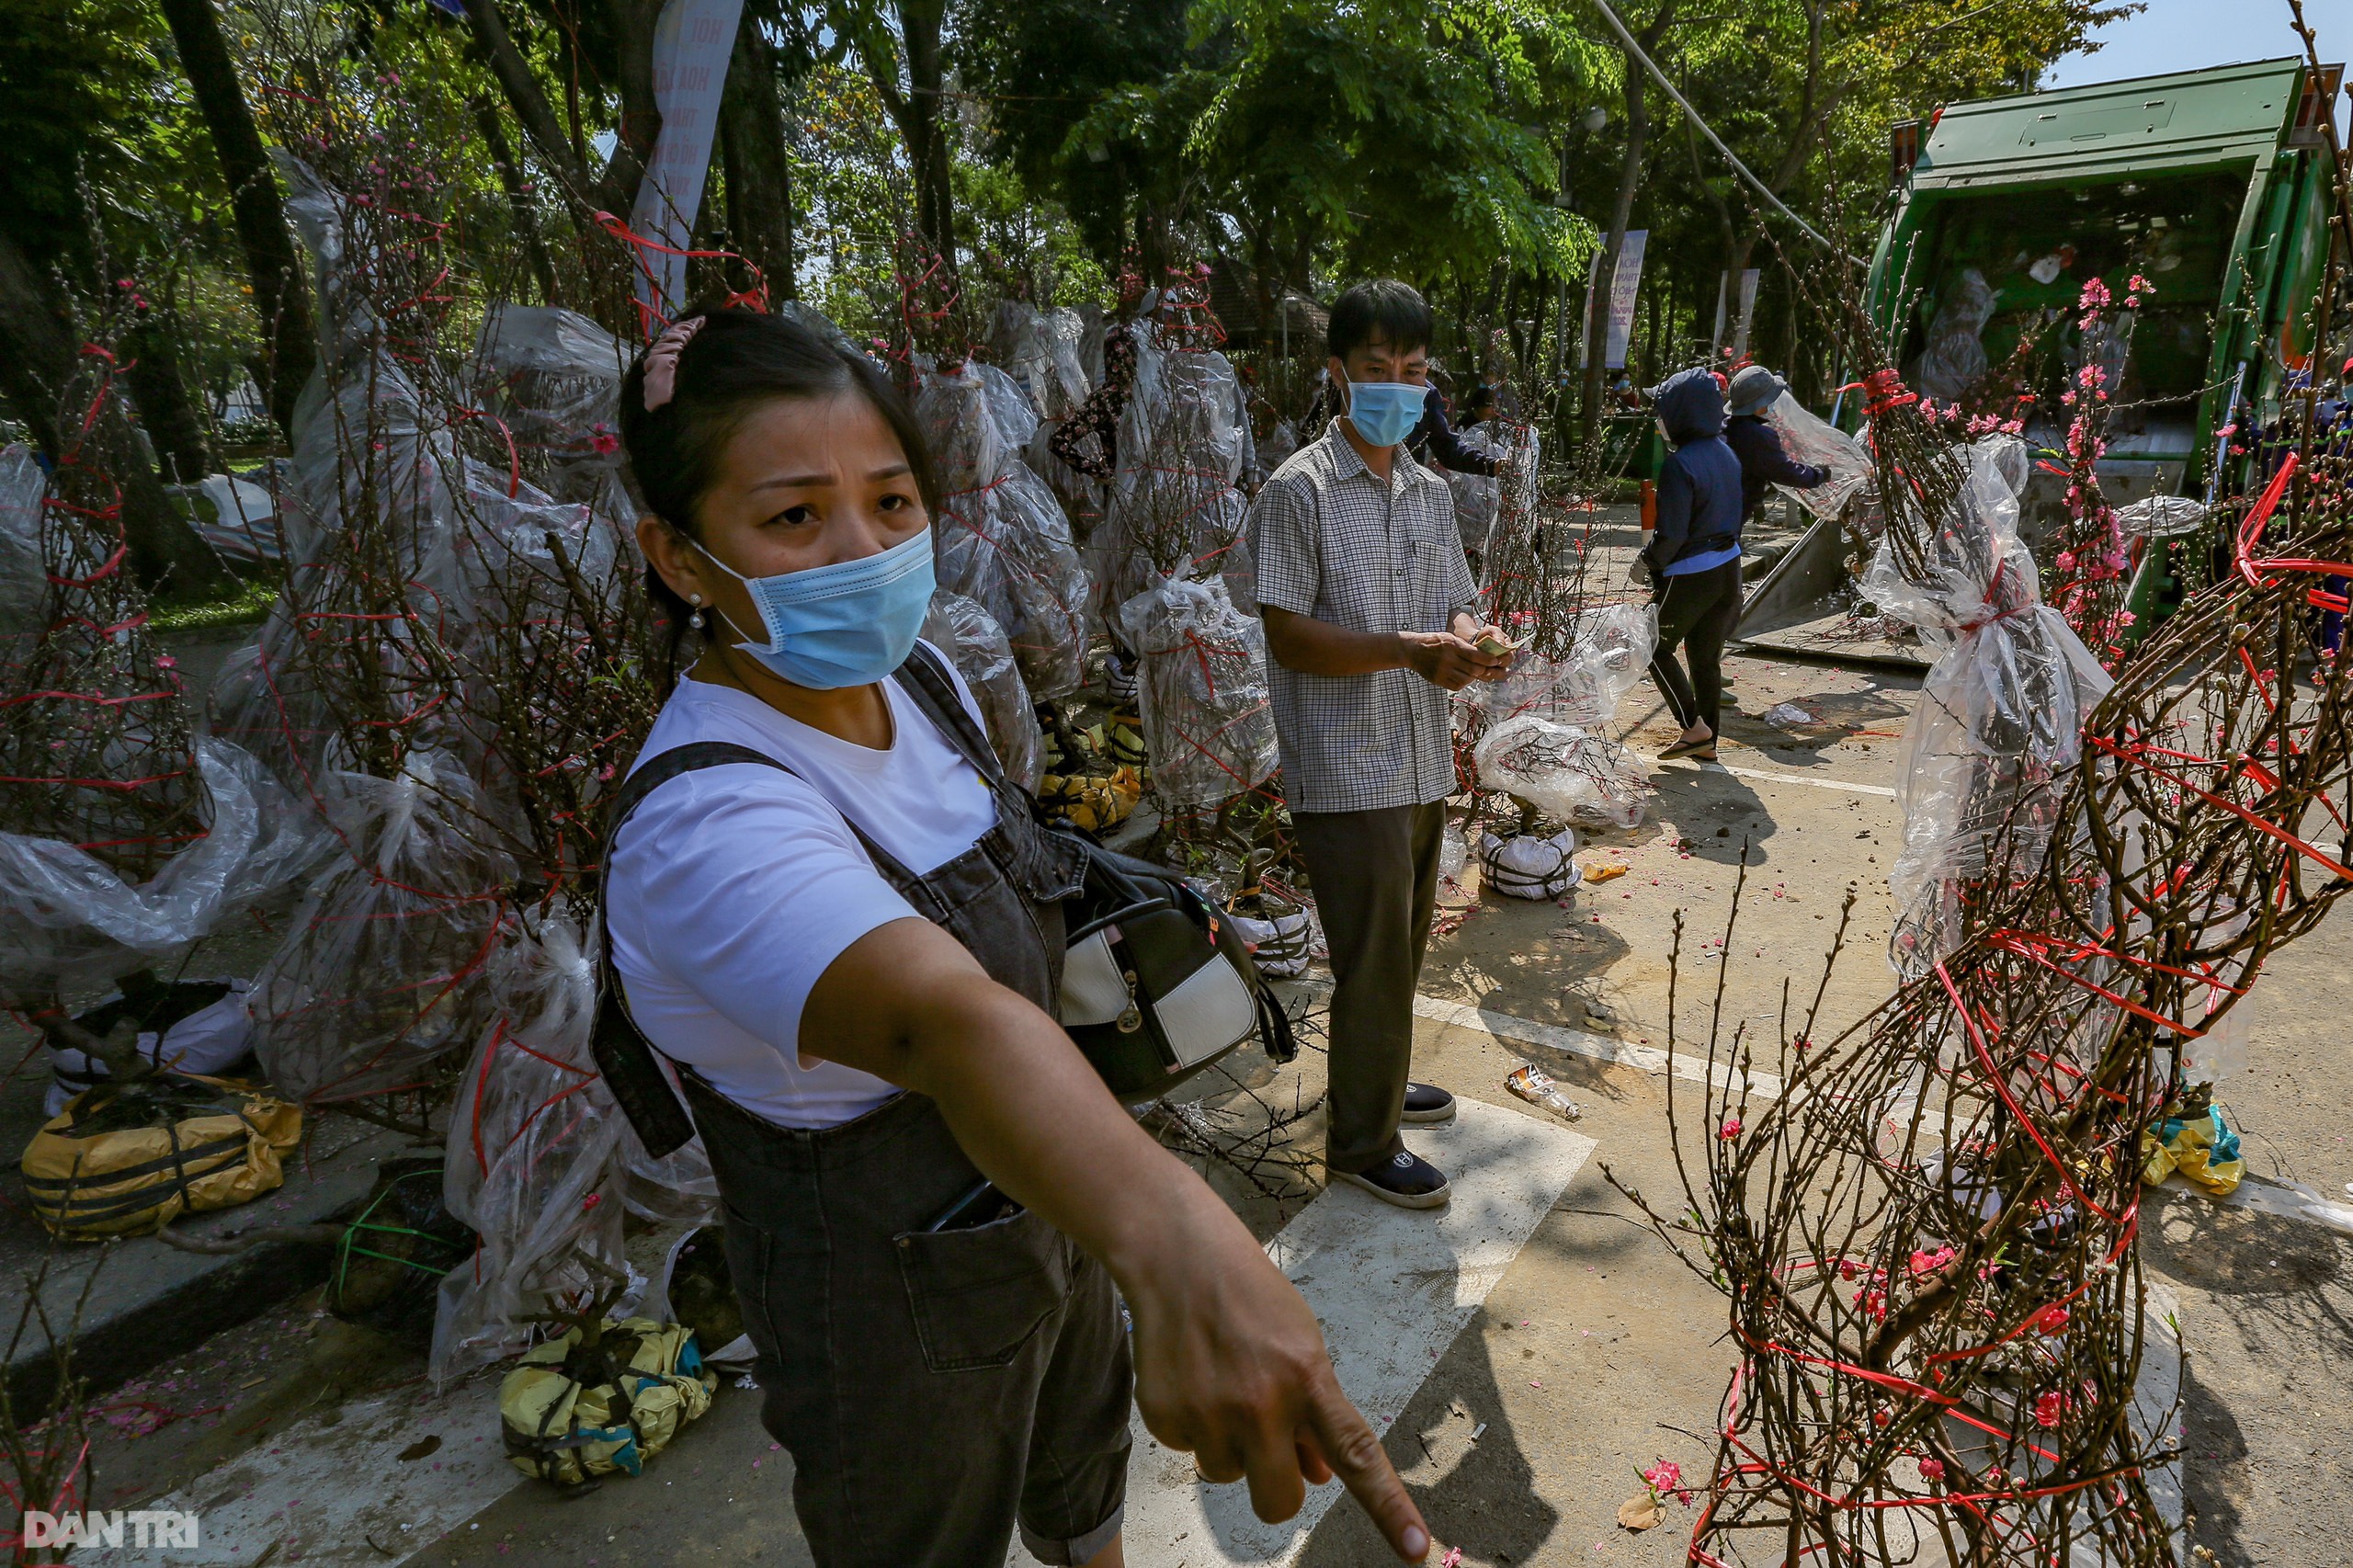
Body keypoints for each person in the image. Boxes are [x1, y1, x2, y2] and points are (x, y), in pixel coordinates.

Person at [601, 305, 1431, 1568]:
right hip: (887, 1307)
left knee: (1082, 1479)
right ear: (679, 556)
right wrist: (1173, 1229)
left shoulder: (920, 683)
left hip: (1055, 1201)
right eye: (792, 517)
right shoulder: (712, 820)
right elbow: (954, 1019)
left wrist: (1109, 1220)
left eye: (890, 501)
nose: (864, 549)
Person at [1249, 279, 1512, 1210]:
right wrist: (1407, 648)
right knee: (1372, 957)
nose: (1396, 387)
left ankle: (1380, 1076)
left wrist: (1469, 632)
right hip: (1344, 762)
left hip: (1417, 753)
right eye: (1375, 370)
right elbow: (1287, 634)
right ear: (1338, 374)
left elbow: (1452, 596)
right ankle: (1362, 1143)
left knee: (1402, 942)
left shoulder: (1428, 490)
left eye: (1412, 371)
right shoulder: (1298, 492)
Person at [1638, 366, 1745, 763]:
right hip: (1728, 571)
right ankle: (1708, 741)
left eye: (1661, 408)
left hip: (1690, 574)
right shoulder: (1725, 452)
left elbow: (1673, 536)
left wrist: (1646, 562)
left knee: (1653, 646)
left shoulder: (1679, 464)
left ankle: (1693, 729)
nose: (1658, 418)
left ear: (1680, 411)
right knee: (1705, 657)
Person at [1722, 365, 1829, 526]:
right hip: (1729, 518)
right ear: (1759, 406)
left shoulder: (1725, 425)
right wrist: (1818, 474)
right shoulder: (1757, 436)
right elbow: (1785, 471)